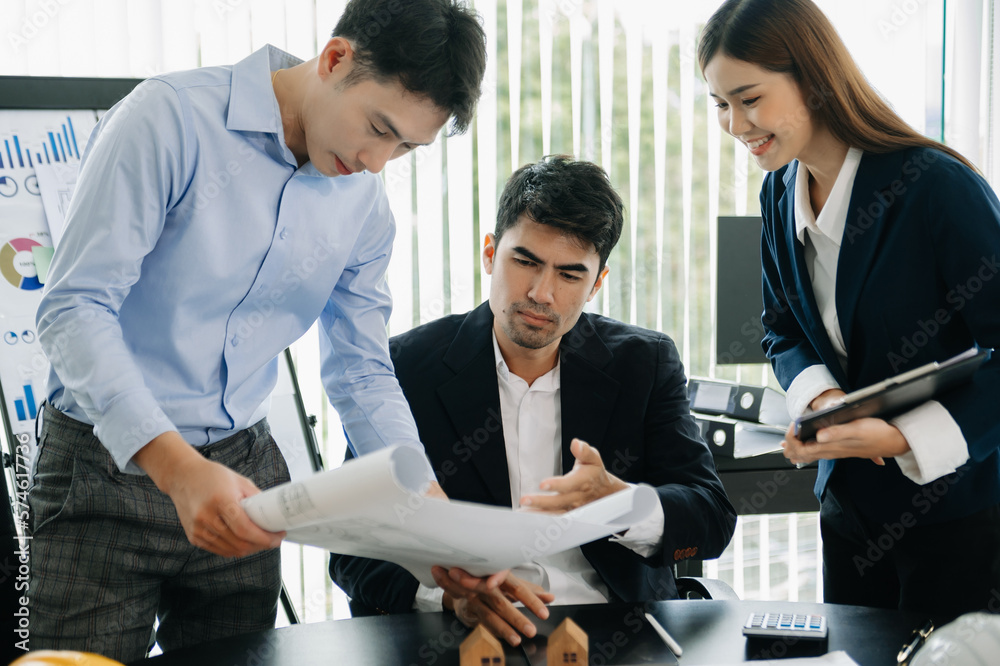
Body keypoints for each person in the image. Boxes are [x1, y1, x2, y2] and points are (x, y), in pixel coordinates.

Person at [27, 0, 486, 661]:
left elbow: (360, 369)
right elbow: (74, 309)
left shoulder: (364, 201)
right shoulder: (168, 120)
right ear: (335, 59)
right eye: (378, 128)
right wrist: (179, 470)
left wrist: (428, 511)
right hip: (106, 471)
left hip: (249, 478)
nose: (378, 161)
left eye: (405, 148)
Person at [329, 155, 737, 645]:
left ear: (597, 284)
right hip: (464, 635)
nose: (541, 294)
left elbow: (711, 517)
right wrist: (446, 598)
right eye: (525, 262)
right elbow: (351, 550)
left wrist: (623, 505)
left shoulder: (643, 364)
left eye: (569, 275)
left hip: (612, 633)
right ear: (489, 253)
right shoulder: (407, 366)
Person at [699, 0, 1000, 624]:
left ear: (812, 77)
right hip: (849, 513)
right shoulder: (779, 191)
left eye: (748, 98)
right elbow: (780, 326)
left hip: (960, 518)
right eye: (720, 104)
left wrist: (901, 437)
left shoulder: (934, 188)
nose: (733, 124)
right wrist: (820, 401)